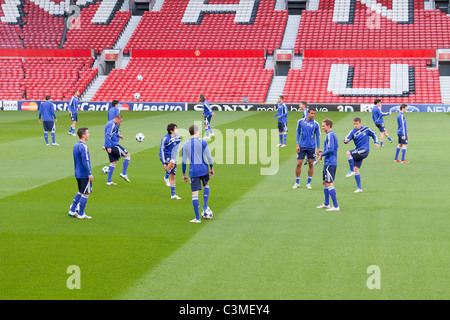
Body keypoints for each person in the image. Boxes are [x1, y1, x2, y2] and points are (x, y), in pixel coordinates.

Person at [182, 125, 214, 223]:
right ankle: (204, 207)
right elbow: (208, 156)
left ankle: (197, 218)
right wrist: (211, 167)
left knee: (195, 194)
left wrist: (183, 173)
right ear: (197, 131)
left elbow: (184, 162)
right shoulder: (203, 142)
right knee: (206, 185)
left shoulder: (185, 145)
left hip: (194, 171)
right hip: (204, 169)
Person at [344, 117, 379, 193]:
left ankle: (351, 170)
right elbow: (346, 139)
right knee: (356, 169)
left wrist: (376, 142)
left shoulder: (366, 129)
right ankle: (359, 188)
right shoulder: (352, 132)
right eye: (354, 124)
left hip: (364, 150)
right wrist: (346, 140)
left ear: (360, 123)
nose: (355, 125)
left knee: (348, 153)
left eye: (357, 124)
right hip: (359, 151)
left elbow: (374, 134)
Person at [68, 127, 93, 219]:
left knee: (80, 192)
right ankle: (81, 214)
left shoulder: (76, 145)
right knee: (86, 193)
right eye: (87, 133)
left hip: (77, 173)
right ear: (83, 135)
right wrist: (89, 173)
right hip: (84, 174)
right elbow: (85, 162)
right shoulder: (84, 146)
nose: (88, 135)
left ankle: (72, 210)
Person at [293, 109, 321, 189]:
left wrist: (318, 148)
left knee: (311, 164)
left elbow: (317, 137)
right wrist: (297, 145)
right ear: (308, 113)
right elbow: (298, 133)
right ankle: (297, 182)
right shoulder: (301, 122)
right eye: (312, 113)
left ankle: (308, 183)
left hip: (311, 147)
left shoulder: (316, 124)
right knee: (299, 163)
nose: (313, 115)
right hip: (302, 146)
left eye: (314, 114)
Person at [316, 119, 339, 211]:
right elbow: (329, 149)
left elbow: (331, 149)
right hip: (328, 162)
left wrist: (322, 154)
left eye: (323, 126)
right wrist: (323, 152)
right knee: (324, 182)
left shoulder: (330, 135)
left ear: (329, 126)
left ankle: (336, 206)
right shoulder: (330, 135)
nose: (322, 127)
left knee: (329, 183)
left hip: (330, 163)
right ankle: (327, 203)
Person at [104, 114, 131, 185]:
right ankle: (124, 173)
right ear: (117, 119)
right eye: (120, 121)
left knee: (113, 162)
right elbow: (107, 135)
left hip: (110, 145)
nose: (121, 123)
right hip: (113, 146)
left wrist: (118, 135)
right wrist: (108, 146)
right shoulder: (112, 124)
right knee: (127, 155)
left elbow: (112, 134)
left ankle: (109, 181)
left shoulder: (110, 123)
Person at [160, 123, 182, 199]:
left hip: (172, 156)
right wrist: (163, 163)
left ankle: (173, 195)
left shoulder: (178, 138)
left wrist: (174, 159)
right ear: (171, 130)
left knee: (173, 176)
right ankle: (166, 177)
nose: (177, 130)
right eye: (175, 128)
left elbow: (176, 150)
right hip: (165, 155)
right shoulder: (165, 138)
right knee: (171, 163)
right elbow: (162, 150)